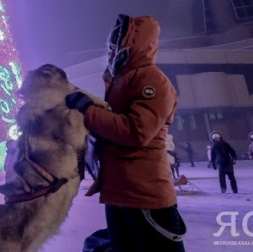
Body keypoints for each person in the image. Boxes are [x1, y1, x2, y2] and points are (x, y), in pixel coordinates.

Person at [66, 14, 186, 251]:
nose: (110, 52)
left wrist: (87, 109)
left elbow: (136, 131)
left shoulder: (151, 79)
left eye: (115, 45)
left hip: (145, 195)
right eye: (109, 47)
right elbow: (112, 127)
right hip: (120, 193)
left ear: (132, 45)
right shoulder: (124, 80)